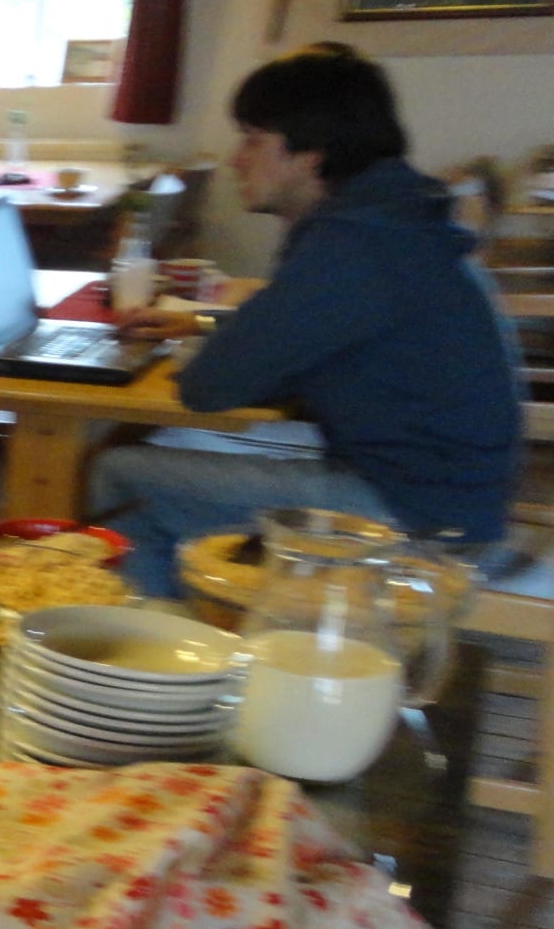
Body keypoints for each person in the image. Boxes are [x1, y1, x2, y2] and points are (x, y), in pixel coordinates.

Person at [87, 42, 520, 594]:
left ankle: (152, 644)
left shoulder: (355, 241)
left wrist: (230, 342)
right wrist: (201, 325)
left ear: (311, 154)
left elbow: (208, 385)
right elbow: (324, 333)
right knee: (172, 457)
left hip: (421, 517)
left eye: (252, 139)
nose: (236, 159)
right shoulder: (395, 216)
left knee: (122, 477)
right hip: (453, 495)